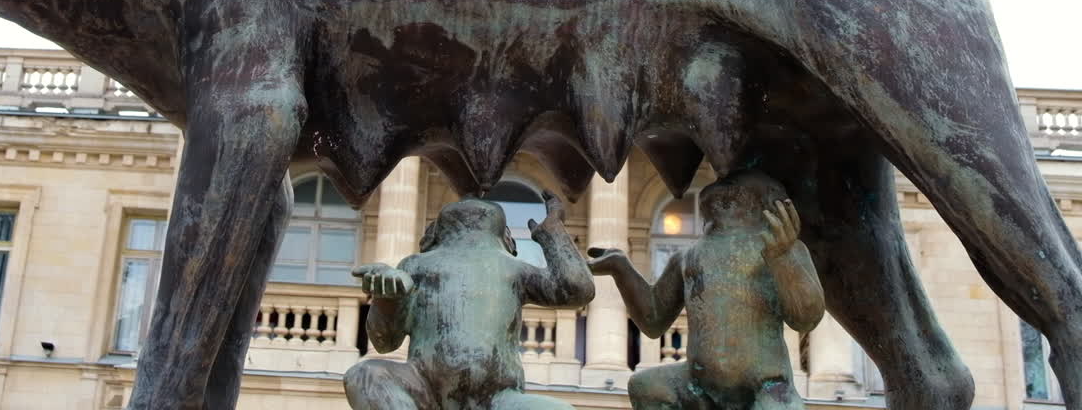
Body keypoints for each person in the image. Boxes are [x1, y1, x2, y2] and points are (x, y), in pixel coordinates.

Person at [588, 172, 824, 410]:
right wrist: (621, 268)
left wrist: (784, 260)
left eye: (735, 184)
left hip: (767, 386)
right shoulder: (688, 256)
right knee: (645, 386)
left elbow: (806, 319)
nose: (724, 182)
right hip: (699, 385)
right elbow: (653, 320)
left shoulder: (784, 250)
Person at [344, 191, 594, 410]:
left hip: (498, 399)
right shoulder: (415, 266)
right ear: (506, 237)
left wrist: (552, 232)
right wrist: (386, 298)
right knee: (365, 375)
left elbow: (577, 290)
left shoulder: (512, 269)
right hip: (423, 388)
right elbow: (385, 342)